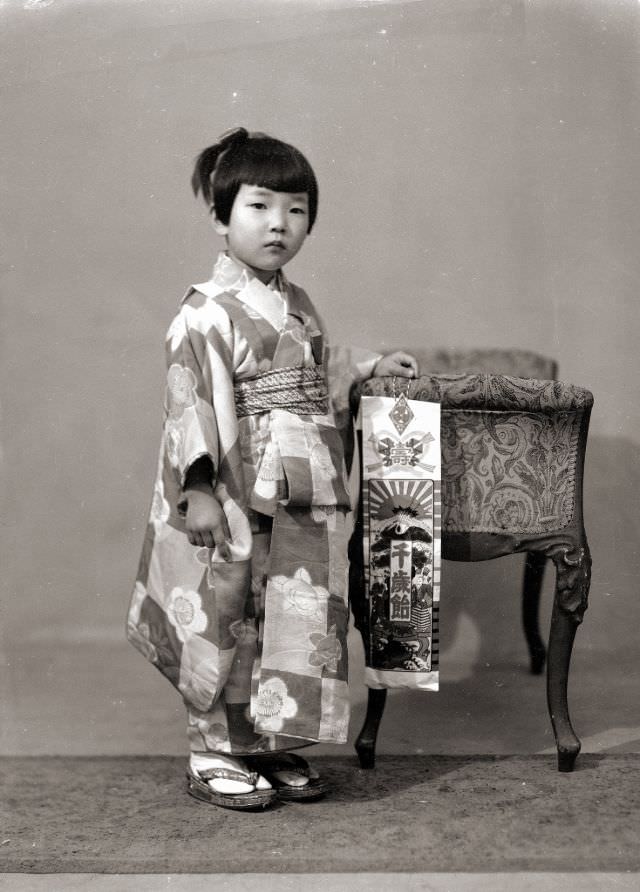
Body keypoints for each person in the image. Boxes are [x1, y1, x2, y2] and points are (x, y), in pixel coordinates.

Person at [127, 127, 418, 810]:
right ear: (220, 217)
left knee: (287, 609)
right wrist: (195, 491)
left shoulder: (299, 303)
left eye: (295, 209)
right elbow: (188, 401)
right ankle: (209, 750)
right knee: (227, 610)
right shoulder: (202, 312)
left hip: (298, 486)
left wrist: (369, 367)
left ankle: (262, 743)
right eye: (259, 206)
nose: (278, 224)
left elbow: (313, 372)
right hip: (231, 483)